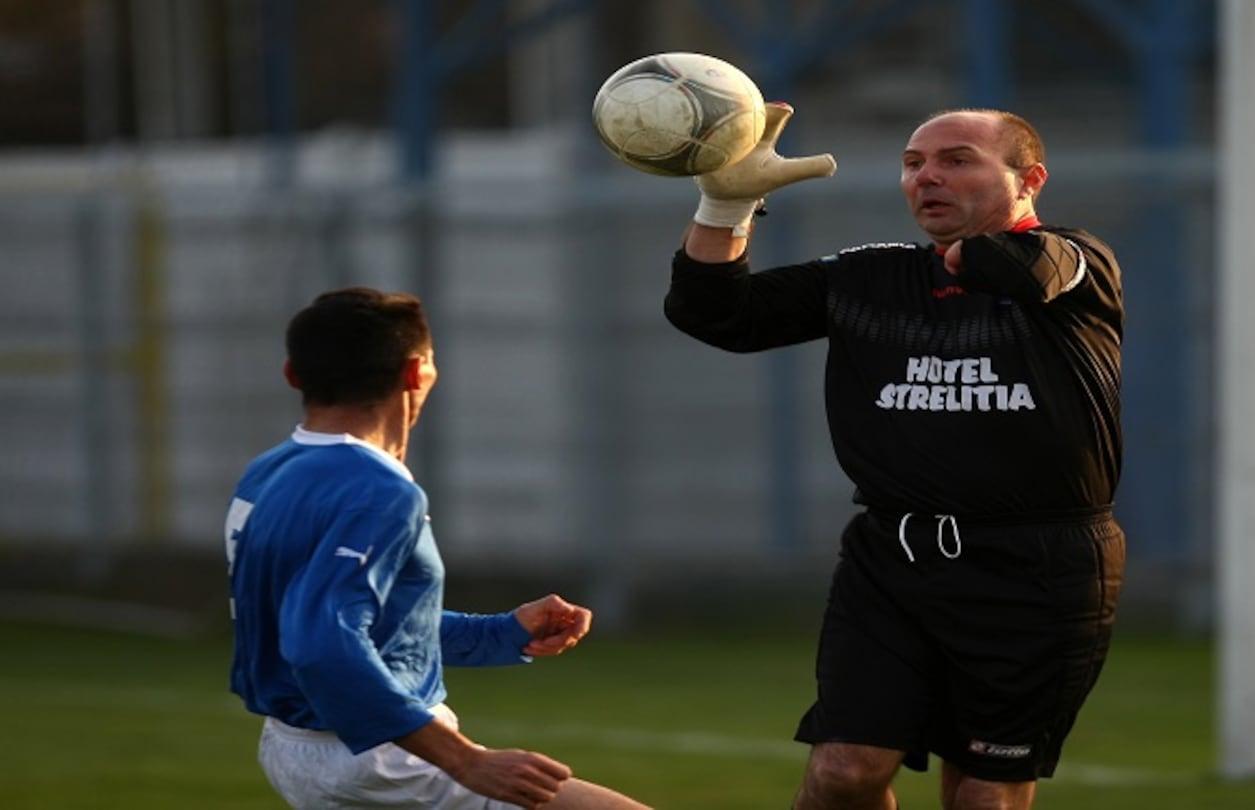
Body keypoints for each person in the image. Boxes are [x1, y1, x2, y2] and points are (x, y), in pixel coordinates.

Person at [663, 104, 1126, 810]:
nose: (926, 177)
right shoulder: (870, 277)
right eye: (913, 164)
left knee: (980, 798)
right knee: (843, 773)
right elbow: (712, 312)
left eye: (957, 160)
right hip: (893, 562)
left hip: (1038, 568)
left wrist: (976, 246)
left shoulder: (1078, 263)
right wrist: (725, 204)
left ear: (1030, 178)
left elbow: (1026, 271)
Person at [224, 287, 650, 810]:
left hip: (297, 746)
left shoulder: (268, 471)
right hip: (383, 760)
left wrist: (502, 633)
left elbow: (357, 624)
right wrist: (465, 760)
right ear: (416, 373)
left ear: (293, 374)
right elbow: (320, 642)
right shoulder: (378, 490)